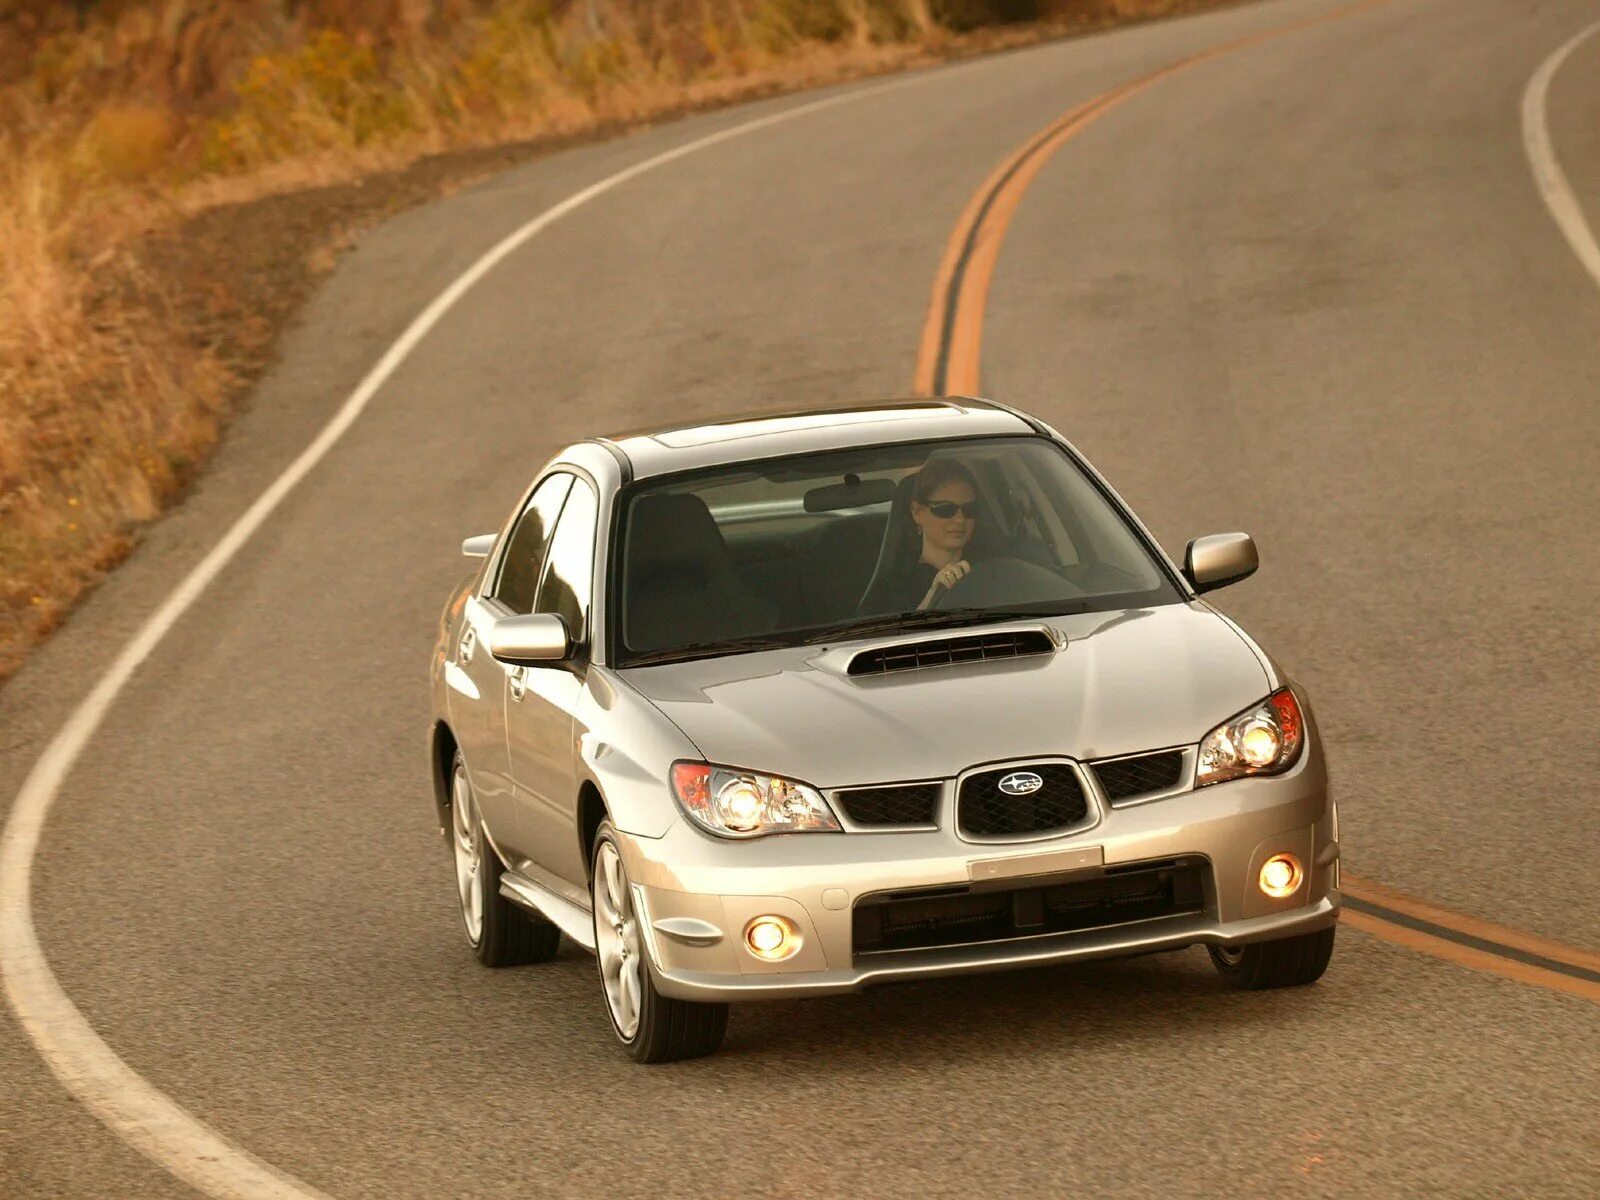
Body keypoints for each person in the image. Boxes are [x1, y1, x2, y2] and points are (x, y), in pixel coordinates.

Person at [859, 459, 983, 614]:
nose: (960, 519)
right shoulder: (893, 589)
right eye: (945, 509)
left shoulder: (991, 572)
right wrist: (934, 594)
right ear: (917, 512)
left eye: (969, 509)